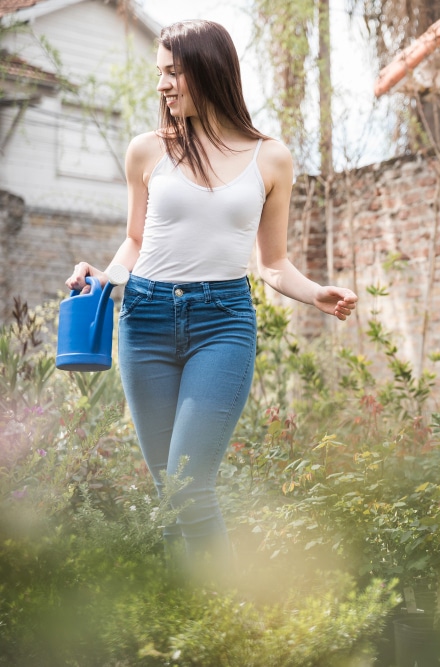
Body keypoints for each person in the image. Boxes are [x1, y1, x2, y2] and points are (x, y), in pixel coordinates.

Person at [65, 20, 357, 574]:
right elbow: (135, 240)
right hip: (145, 317)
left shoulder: (270, 158)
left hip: (222, 324)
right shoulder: (146, 151)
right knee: (169, 493)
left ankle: (230, 623)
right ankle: (189, 627)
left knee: (190, 485)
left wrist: (314, 293)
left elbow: (271, 262)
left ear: (209, 69)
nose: (163, 86)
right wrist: (101, 279)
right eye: (160, 74)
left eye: (174, 72)